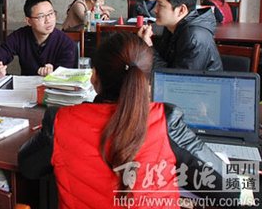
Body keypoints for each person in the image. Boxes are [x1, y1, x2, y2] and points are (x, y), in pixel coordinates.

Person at [18, 32, 240, 208]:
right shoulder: (165, 121)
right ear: (147, 82)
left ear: (93, 77)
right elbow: (231, 188)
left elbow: (28, 167)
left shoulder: (61, 122)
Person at [137, 0, 222, 71]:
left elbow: (175, 81)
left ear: (181, 10)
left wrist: (148, 48)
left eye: (160, 5)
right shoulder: (171, 27)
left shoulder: (194, 37)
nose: (155, 10)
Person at [0, 0, 77, 77]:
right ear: (28, 21)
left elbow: (68, 76)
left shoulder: (66, 42)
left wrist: (54, 74)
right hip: (25, 91)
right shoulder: (19, 36)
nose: (48, 20)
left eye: (51, 14)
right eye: (41, 16)